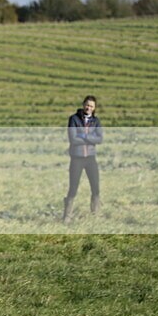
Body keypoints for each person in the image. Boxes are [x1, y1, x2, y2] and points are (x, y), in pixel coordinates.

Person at [63, 95, 103, 223]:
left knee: (95, 188)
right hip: (77, 158)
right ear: (83, 105)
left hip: (91, 158)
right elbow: (73, 139)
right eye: (87, 105)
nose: (88, 108)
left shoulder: (96, 121)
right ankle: (67, 216)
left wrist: (83, 136)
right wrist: (90, 137)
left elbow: (100, 139)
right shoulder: (73, 119)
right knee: (73, 188)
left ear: (94, 108)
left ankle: (95, 215)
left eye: (91, 106)